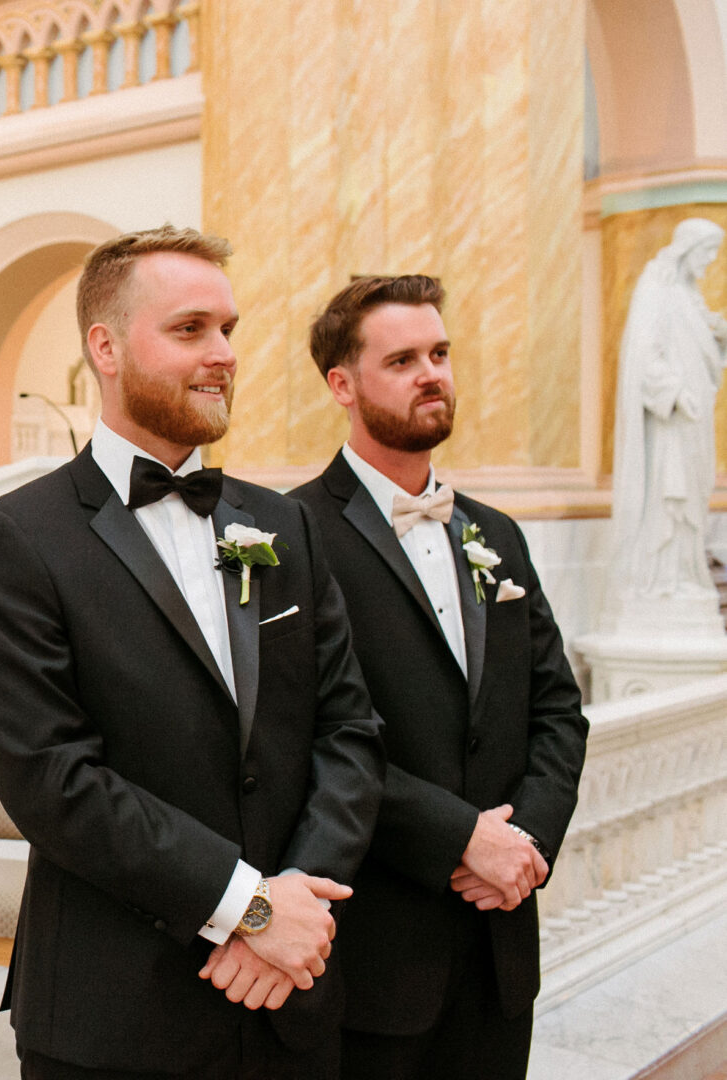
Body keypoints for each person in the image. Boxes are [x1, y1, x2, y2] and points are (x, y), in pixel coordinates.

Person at [0, 225, 385, 1080]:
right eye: (190, 330)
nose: (223, 353)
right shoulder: (15, 540)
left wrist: (296, 900)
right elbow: (52, 781)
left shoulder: (283, 524)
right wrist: (247, 910)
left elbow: (350, 732)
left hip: (289, 996)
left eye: (228, 329)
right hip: (114, 1011)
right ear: (105, 349)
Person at [289, 274, 588, 1080]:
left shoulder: (497, 535)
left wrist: (525, 842)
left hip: (499, 947)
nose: (433, 374)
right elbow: (307, 738)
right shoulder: (293, 535)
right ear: (342, 386)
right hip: (375, 953)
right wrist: (460, 838)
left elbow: (558, 709)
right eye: (404, 359)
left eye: (441, 353)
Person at [609, 218, 727, 603]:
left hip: (694, 421)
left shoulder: (688, 295)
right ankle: (660, 579)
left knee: (691, 495)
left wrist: (717, 334)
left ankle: (685, 574)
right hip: (669, 422)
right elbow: (644, 357)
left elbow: (698, 342)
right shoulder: (657, 288)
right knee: (668, 496)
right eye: (707, 252)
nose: (711, 261)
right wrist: (674, 393)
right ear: (688, 249)